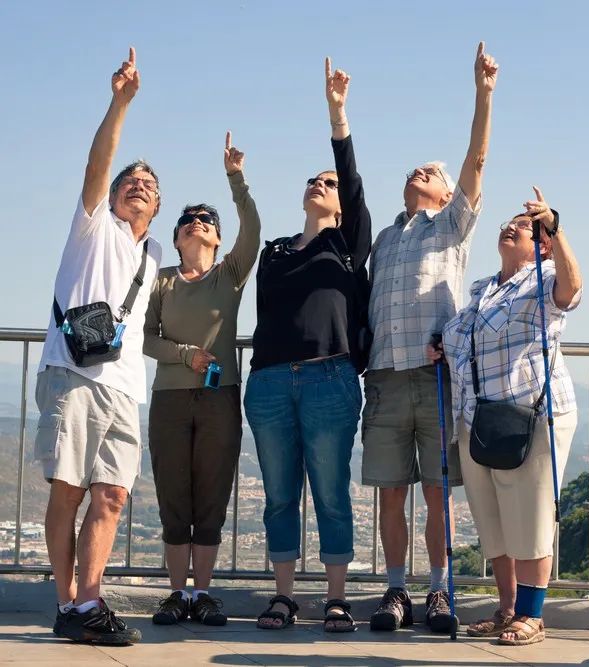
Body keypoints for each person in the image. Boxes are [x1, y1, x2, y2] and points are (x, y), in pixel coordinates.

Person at [363, 41, 498, 634]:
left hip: (436, 377)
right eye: (416, 168)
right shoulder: (385, 240)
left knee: (439, 494)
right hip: (385, 377)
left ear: (447, 195)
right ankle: (397, 591)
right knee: (391, 493)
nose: (422, 171)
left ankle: (440, 591)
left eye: (433, 172)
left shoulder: (452, 227)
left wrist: (483, 95)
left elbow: (476, 160)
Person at [36, 47, 162, 645]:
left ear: (156, 207)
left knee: (111, 494)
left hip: (123, 387)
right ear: (112, 196)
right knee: (68, 488)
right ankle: (66, 604)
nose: (139, 187)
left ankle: (90, 602)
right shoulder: (93, 226)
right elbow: (98, 163)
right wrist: (120, 103)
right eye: (130, 182)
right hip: (73, 374)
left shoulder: (154, 254)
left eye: (149, 185)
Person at [243, 59, 371, 632]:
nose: (319, 185)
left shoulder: (347, 245)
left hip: (329, 378)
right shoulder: (274, 251)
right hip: (269, 380)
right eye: (312, 181)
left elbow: (351, 172)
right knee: (277, 496)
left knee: (331, 492)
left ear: (342, 204)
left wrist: (337, 114)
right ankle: (284, 596)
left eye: (329, 184)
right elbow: (265, 314)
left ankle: (337, 598)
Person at [434, 188, 582, 646]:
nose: (511, 226)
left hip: (531, 415)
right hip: (477, 420)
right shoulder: (482, 291)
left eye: (523, 226)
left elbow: (573, 290)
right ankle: (507, 609)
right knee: (493, 520)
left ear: (542, 245)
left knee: (532, 516)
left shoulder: (545, 278)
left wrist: (555, 229)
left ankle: (532, 616)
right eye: (510, 222)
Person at [142, 131, 261, 626]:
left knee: (211, 494)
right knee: (175, 494)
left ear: (214, 237)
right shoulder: (161, 279)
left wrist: (236, 180)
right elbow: (146, 339)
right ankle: (176, 594)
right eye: (187, 221)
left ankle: (202, 593)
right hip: (169, 399)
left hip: (219, 399)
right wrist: (186, 354)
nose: (196, 224)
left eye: (205, 221)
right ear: (175, 238)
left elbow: (252, 229)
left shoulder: (230, 274)